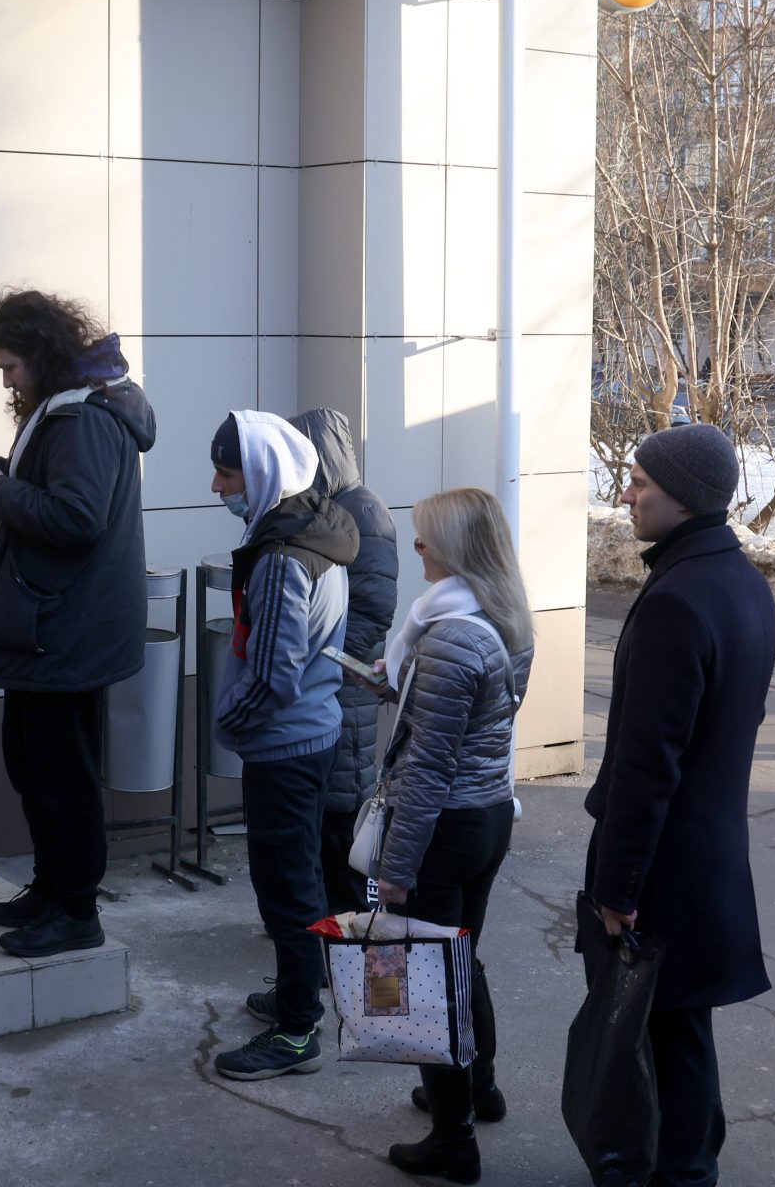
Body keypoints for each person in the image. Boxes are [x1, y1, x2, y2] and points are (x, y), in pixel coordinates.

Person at [585, 422, 775, 1187]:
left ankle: (684, 1170)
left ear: (687, 498)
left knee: (665, 1031)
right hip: (709, 851)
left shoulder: (679, 598)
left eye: (640, 483)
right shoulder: (740, 579)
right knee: (679, 1025)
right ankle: (687, 1159)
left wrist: (618, 891)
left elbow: (646, 764)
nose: (626, 494)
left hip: (667, 862)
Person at [0, 291, 157, 959]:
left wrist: (1, 491)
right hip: (55, 626)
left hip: (64, 629)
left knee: (60, 776)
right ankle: (51, 888)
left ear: (41, 356)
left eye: (10, 366)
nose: (7, 380)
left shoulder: (83, 418)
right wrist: (11, 476)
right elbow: (68, 499)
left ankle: (75, 910)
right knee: (34, 764)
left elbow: (76, 517)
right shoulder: (74, 409)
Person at [355, 487, 531, 1184]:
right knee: (464, 961)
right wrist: (402, 686)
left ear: (458, 549)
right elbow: (475, 721)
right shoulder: (502, 617)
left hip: (442, 828)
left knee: (425, 980)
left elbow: (427, 766)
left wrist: (394, 869)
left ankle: (452, 1140)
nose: (418, 548)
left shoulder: (453, 635)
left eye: (427, 538)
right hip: (487, 816)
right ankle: (476, 1089)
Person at [207, 410, 358, 1083]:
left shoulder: (279, 559)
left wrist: (226, 722)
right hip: (314, 733)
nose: (217, 486)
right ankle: (299, 989)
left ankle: (297, 1030)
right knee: (302, 878)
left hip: (284, 746)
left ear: (263, 473)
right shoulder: (317, 530)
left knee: (287, 888)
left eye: (227, 471)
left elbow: (272, 673)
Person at [290, 408, 397, 916]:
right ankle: (322, 922)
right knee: (323, 815)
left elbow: (373, 611)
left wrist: (321, 658)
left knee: (342, 814)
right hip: (333, 680)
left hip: (345, 683)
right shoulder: (328, 505)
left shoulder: (364, 512)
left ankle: (349, 930)